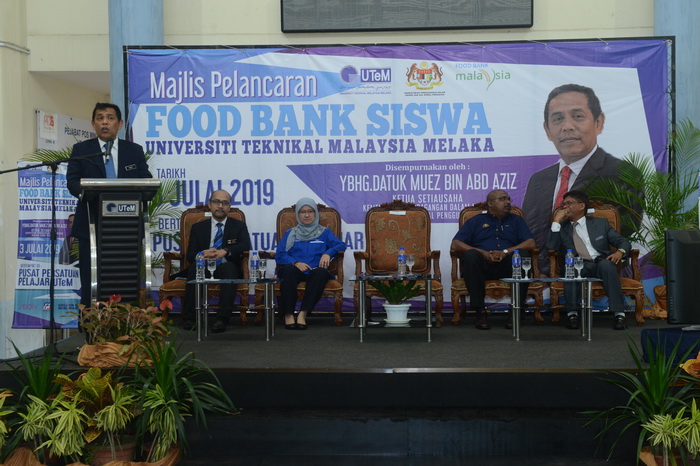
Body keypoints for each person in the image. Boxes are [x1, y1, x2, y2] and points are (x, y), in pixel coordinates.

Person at [522, 83, 633, 274]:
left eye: (578, 116)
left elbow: (624, 230)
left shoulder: (621, 173)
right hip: (547, 270)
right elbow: (531, 230)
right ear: (547, 130)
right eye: (558, 119)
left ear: (598, 122)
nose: (567, 127)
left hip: (596, 264)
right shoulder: (538, 180)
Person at [66, 103, 151, 307]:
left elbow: (146, 180)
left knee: (124, 282)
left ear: (119, 124)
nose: (105, 122)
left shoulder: (134, 151)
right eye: (100, 118)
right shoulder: (82, 150)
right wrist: (87, 193)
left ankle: (125, 323)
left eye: (110, 118)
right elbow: (72, 181)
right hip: (90, 226)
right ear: (93, 124)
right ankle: (90, 325)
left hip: (126, 230)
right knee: (91, 283)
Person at [450, 190, 535, 330]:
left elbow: (531, 243)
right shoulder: (476, 221)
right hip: (482, 267)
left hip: (508, 265)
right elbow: (456, 244)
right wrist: (482, 253)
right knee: (471, 255)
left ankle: (516, 311)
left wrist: (506, 252)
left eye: (508, 199)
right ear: (490, 203)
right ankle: (480, 312)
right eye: (502, 199)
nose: (507, 202)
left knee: (522, 254)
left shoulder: (516, 220)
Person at [546, 190, 631, 330]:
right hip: (576, 263)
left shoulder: (600, 224)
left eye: (569, 203)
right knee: (570, 268)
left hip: (600, 262)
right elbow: (551, 246)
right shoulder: (561, 227)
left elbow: (623, 242)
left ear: (581, 206)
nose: (565, 207)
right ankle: (572, 314)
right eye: (564, 204)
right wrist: (556, 222)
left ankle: (619, 314)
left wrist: (620, 252)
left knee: (608, 266)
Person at [182, 189, 251, 333]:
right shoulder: (198, 227)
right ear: (210, 205)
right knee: (195, 269)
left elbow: (245, 245)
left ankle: (222, 319)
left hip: (226, 264)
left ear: (229, 206)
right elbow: (190, 254)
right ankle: (190, 318)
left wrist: (225, 251)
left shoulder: (238, 226)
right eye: (216, 202)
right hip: (204, 264)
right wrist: (203, 254)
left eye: (225, 203)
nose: (220, 206)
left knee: (230, 268)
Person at [275, 198, 346, 330]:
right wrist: (296, 262)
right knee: (288, 271)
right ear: (298, 214)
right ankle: (288, 314)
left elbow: (340, 245)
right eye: (302, 212)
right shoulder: (290, 234)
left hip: (315, 270)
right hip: (295, 270)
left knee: (321, 273)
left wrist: (328, 253)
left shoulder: (324, 233)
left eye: (310, 211)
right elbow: (280, 255)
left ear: (315, 213)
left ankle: (303, 313)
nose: (306, 215)